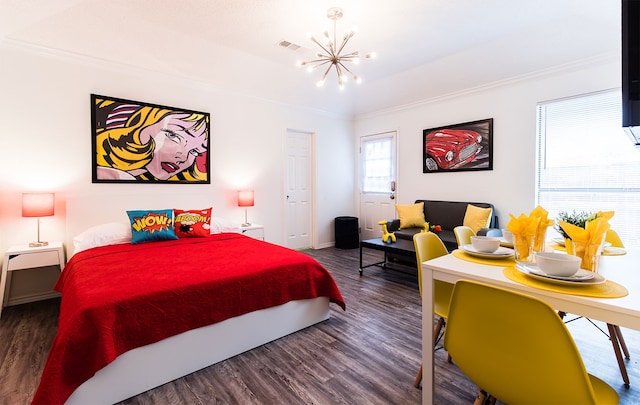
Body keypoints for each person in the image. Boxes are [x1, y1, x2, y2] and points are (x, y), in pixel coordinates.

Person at [95, 100, 209, 182]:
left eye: (195, 152)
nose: (184, 158)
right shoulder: (106, 174)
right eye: (173, 136)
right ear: (138, 125)